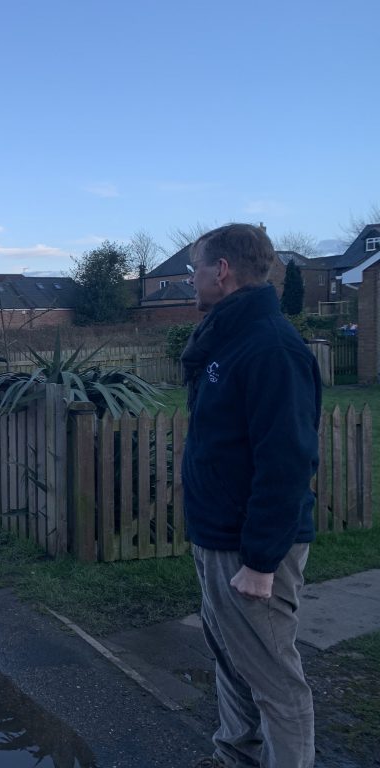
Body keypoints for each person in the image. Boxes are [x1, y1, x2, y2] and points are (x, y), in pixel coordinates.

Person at [181, 224, 321, 768]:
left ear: (222, 271)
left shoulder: (271, 347)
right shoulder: (230, 338)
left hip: (252, 549)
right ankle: (234, 754)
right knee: (230, 658)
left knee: (274, 680)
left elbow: (286, 463)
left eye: (195, 269)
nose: (191, 280)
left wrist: (261, 563)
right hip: (218, 537)